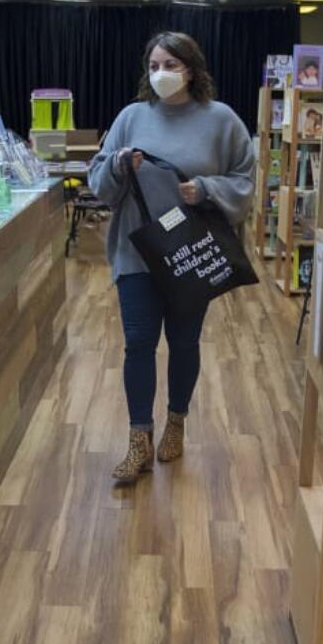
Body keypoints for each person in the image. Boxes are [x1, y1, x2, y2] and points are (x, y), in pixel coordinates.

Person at [89, 31, 254, 485]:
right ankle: (138, 439)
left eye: (172, 65)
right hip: (136, 250)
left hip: (189, 252)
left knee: (183, 342)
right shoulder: (130, 117)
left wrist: (204, 189)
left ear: (193, 69)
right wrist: (120, 164)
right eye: (155, 65)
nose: (161, 73)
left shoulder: (221, 120)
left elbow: (244, 180)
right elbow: (99, 185)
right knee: (138, 342)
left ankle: (176, 423)